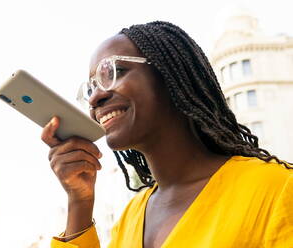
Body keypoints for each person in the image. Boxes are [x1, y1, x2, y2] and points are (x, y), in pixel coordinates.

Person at [42, 21, 293, 248]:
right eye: (91, 87)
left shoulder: (278, 189)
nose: (96, 97)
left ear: (170, 75)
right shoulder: (130, 217)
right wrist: (80, 201)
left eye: (114, 72)